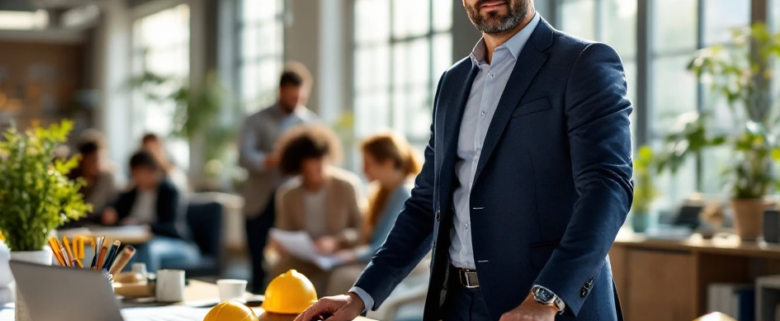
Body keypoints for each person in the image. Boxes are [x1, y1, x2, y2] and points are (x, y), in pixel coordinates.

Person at [296, 1, 633, 321]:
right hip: (456, 303)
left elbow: (607, 189)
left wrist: (546, 297)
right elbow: (426, 204)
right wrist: (359, 295)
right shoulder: (452, 82)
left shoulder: (583, 62)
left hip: (547, 308)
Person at [238, 62, 317, 292]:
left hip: (294, 200)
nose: (296, 103)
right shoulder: (256, 120)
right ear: (281, 91)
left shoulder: (309, 123)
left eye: (300, 98)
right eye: (292, 97)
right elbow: (244, 157)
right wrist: (273, 159)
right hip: (259, 200)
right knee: (257, 257)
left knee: (290, 257)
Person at [269, 124, 364, 294]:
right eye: (312, 167)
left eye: (322, 163)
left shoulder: (347, 186)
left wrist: (337, 241)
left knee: (337, 280)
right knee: (280, 271)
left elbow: (362, 229)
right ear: (300, 167)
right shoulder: (287, 195)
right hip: (305, 260)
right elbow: (283, 231)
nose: (319, 170)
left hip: (338, 257)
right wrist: (281, 245)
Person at [325, 132, 422, 295]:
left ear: (387, 163)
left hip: (398, 267)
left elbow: (384, 245)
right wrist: (339, 243)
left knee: (341, 276)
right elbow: (369, 235)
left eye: (367, 163)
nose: (363, 170)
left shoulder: (404, 193)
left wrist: (350, 255)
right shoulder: (383, 193)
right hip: (377, 259)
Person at [102, 151, 199, 272]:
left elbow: (172, 226)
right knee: (124, 253)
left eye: (142, 173)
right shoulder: (131, 194)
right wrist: (112, 214)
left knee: (148, 250)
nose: (138, 178)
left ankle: (145, 290)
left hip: (177, 244)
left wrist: (147, 227)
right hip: (137, 244)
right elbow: (115, 210)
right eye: (135, 174)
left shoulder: (169, 192)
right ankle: (119, 289)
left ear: (153, 171)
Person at [69, 139, 118, 221]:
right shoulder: (73, 178)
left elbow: (115, 203)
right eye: (92, 160)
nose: (97, 164)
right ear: (82, 159)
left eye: (100, 160)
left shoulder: (107, 177)